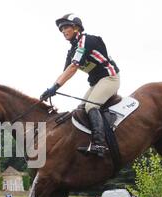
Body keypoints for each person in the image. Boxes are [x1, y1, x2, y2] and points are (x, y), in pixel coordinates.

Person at [40, 13, 120, 157]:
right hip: (97, 83)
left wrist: (55, 88)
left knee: (91, 106)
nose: (63, 31)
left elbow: (73, 68)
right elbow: (66, 72)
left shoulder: (85, 40)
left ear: (76, 27)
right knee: (81, 109)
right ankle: (87, 141)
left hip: (110, 78)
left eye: (66, 27)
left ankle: (100, 144)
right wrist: (51, 88)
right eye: (61, 29)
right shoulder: (72, 51)